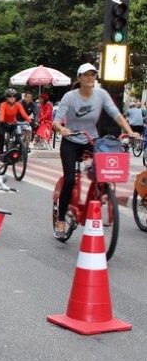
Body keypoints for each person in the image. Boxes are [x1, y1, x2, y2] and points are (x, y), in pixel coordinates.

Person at [52, 63, 138, 237]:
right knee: (69, 180)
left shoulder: (101, 95)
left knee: (103, 171)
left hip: (91, 139)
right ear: (79, 78)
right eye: (86, 75)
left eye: (93, 74)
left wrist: (130, 132)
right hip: (71, 140)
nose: (90, 77)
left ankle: (98, 195)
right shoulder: (70, 97)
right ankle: (61, 219)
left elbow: (116, 114)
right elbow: (56, 121)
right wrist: (62, 129)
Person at [0, 87, 31, 157]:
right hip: (3, 123)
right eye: (9, 96)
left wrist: (30, 121)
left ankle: (16, 151)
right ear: (6, 97)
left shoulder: (18, 105)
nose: (12, 98)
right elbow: (2, 114)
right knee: (2, 136)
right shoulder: (3, 104)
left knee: (18, 136)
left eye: (14, 96)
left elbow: (24, 114)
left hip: (12, 124)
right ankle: (1, 153)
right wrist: (2, 120)